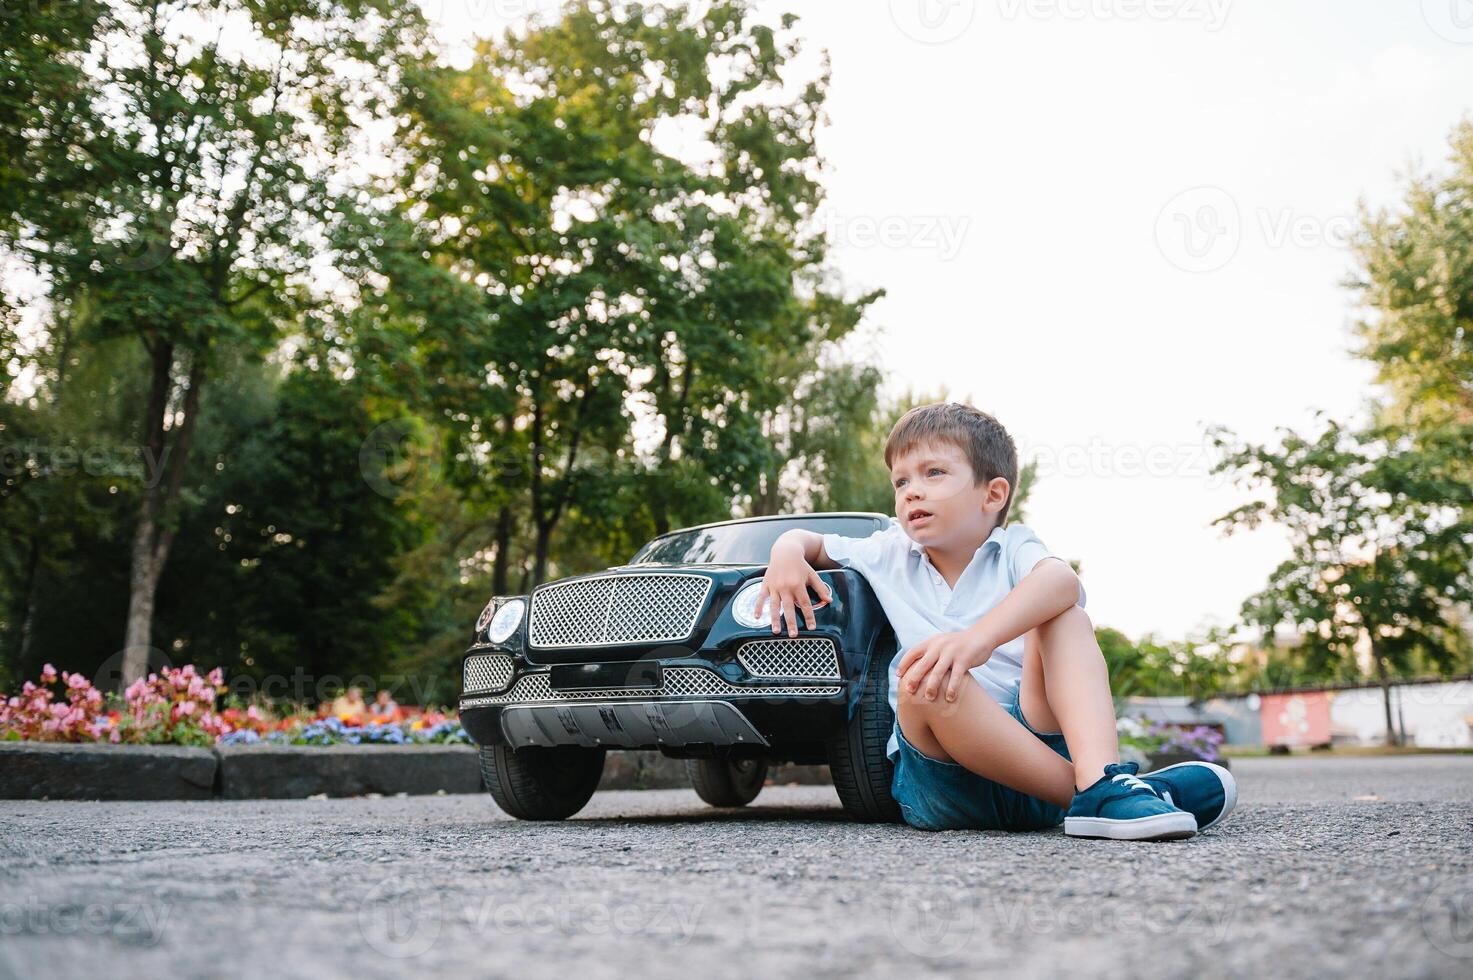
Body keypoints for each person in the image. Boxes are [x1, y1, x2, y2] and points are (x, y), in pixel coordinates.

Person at [757, 402, 1236, 840]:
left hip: (1035, 743)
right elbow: (811, 540)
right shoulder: (888, 553)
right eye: (900, 482)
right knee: (921, 677)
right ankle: (1107, 793)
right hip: (943, 782)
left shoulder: (1013, 548)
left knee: (1063, 617)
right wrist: (786, 551)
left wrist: (977, 640)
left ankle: (1097, 782)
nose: (911, 492)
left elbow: (1062, 581)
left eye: (933, 473)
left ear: (992, 494)